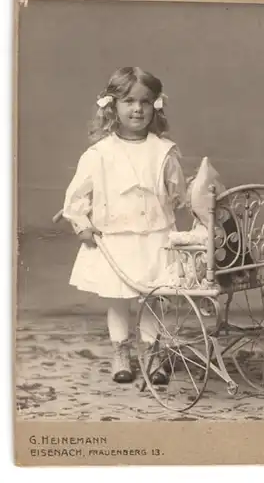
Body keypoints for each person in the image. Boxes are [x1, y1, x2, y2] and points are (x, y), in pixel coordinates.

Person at [62, 67, 187, 385]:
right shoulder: (99, 154)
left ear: (155, 106)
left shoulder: (163, 152)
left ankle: (153, 350)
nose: (137, 109)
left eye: (145, 102)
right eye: (129, 101)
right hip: (115, 237)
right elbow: (76, 197)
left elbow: (177, 193)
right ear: (112, 106)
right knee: (118, 298)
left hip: (156, 237)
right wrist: (81, 224)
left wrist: (191, 194)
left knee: (154, 297)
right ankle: (121, 351)